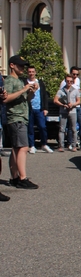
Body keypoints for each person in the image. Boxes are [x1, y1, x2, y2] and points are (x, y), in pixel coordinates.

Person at [1, 55, 38, 190]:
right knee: (23, 147)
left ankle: (15, 177)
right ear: (12, 65)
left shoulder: (21, 80)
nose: (22, 68)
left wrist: (31, 92)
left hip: (21, 116)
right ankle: (22, 178)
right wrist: (23, 89)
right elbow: (6, 98)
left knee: (16, 148)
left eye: (23, 66)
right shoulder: (10, 80)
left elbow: (25, 100)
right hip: (15, 117)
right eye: (20, 65)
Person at [26, 66, 53, 153]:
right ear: (27, 73)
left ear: (35, 72)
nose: (31, 73)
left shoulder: (40, 83)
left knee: (42, 127)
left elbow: (44, 96)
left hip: (39, 109)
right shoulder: (25, 83)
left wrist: (45, 108)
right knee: (30, 128)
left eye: (32, 71)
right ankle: (32, 145)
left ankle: (44, 144)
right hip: (30, 108)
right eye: (29, 72)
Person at [59, 67, 81, 148]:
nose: (75, 76)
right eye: (74, 74)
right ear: (71, 73)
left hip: (77, 106)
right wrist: (65, 104)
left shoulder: (77, 80)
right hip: (69, 107)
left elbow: (76, 93)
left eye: (77, 74)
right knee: (71, 126)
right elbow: (61, 94)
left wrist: (80, 91)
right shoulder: (64, 83)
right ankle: (69, 143)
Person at [54, 74, 81, 152]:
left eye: (70, 81)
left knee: (73, 129)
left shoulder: (75, 90)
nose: (69, 82)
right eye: (67, 81)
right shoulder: (61, 91)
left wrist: (73, 104)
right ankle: (61, 146)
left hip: (73, 111)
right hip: (63, 111)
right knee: (62, 129)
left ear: (72, 82)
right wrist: (63, 105)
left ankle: (74, 146)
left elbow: (79, 101)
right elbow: (55, 100)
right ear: (65, 81)